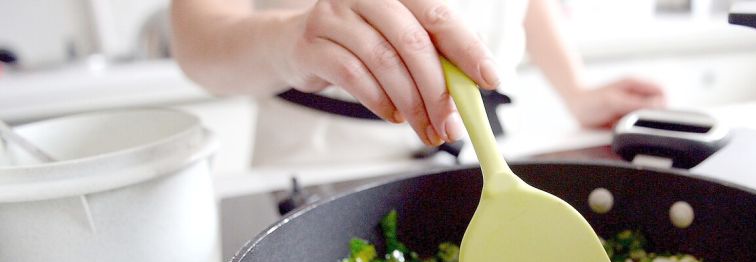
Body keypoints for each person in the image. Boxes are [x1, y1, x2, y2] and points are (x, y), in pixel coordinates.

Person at [170, 0, 666, 166]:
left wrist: (576, 91)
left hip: (487, 147)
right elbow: (195, 38)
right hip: (321, 155)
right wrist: (289, 39)